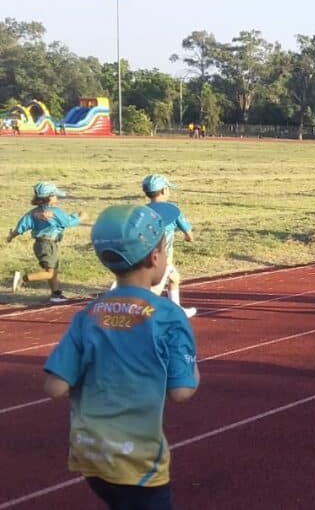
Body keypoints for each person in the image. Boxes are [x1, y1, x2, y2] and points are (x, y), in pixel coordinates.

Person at [43, 203, 199, 510]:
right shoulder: (169, 316)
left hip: (90, 457)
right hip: (138, 462)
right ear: (156, 257)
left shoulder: (87, 315)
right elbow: (182, 391)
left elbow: (55, 387)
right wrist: (193, 369)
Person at [8, 182, 85, 302]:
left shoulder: (33, 213)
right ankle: (23, 278)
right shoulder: (56, 212)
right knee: (50, 272)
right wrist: (80, 217)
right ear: (49, 198)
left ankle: (56, 294)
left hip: (39, 244)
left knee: (53, 271)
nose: (57, 198)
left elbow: (22, 226)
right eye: (55, 195)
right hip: (48, 244)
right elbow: (67, 222)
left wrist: (12, 235)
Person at [138, 175, 198, 318]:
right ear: (164, 190)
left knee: (174, 278)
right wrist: (188, 238)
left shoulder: (141, 211)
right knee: (155, 290)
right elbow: (189, 234)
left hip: (144, 255)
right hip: (163, 258)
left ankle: (177, 310)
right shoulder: (173, 210)